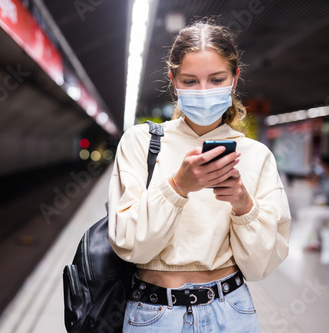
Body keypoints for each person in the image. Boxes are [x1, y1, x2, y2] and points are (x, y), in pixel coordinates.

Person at [108, 18, 291, 332]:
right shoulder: (140, 142)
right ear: (173, 80)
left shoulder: (256, 156)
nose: (204, 92)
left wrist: (244, 205)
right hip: (153, 314)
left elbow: (260, 267)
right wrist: (178, 187)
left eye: (216, 79)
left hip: (232, 310)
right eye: (190, 81)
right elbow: (130, 245)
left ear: (234, 80)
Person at [300, 155, 329, 252]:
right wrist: (315, 182)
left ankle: (315, 244)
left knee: (315, 216)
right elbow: (317, 193)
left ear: (325, 165)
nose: (318, 167)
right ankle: (312, 241)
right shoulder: (324, 177)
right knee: (304, 213)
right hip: (325, 207)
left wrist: (317, 182)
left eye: (320, 165)